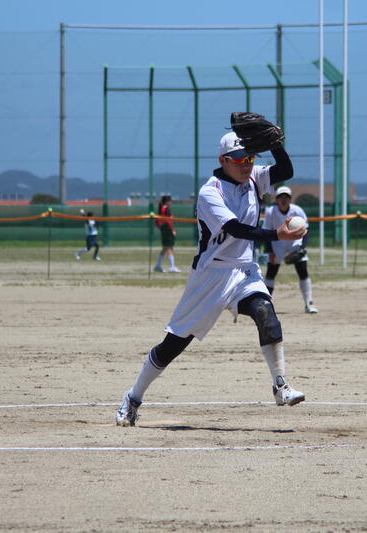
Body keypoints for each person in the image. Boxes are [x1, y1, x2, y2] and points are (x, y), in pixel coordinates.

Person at [114, 126, 307, 427]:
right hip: (210, 276)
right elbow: (236, 229)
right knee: (173, 345)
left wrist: (275, 144)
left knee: (266, 314)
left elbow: (286, 170)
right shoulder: (210, 192)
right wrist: (276, 235)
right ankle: (133, 397)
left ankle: (281, 386)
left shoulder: (254, 178)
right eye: (239, 159)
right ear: (223, 160)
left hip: (244, 270)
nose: (246, 164)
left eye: (250, 158)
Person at [262, 185, 318, 313]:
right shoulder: (270, 211)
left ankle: (309, 303)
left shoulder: (297, 210)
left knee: (302, 270)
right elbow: (266, 231)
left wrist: (301, 248)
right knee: (271, 272)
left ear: (290, 199)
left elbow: (306, 229)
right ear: (276, 199)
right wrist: (270, 251)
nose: (283, 199)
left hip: (295, 242)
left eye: (286, 197)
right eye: (280, 197)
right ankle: (265, 303)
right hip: (277, 242)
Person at [153, 195, 180, 273]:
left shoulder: (162, 208)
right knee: (169, 247)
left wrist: (161, 227)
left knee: (165, 247)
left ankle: (158, 265)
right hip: (167, 228)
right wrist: (172, 230)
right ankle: (172, 267)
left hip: (164, 228)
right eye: (170, 201)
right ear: (167, 201)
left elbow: (157, 221)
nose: (171, 202)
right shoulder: (166, 208)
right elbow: (168, 221)